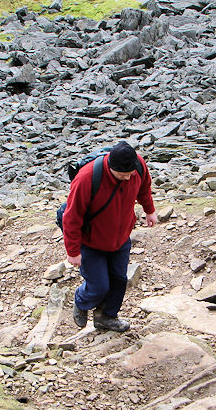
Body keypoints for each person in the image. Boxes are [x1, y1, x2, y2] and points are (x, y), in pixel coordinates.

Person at [62, 141, 157, 332]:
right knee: (98, 286)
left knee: (118, 280)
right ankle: (81, 301)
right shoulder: (87, 178)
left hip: (120, 238)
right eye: (123, 175)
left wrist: (149, 210)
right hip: (91, 241)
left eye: (131, 174)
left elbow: (144, 187)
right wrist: (73, 251)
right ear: (111, 168)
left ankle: (106, 316)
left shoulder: (137, 165)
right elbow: (71, 217)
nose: (129, 178)